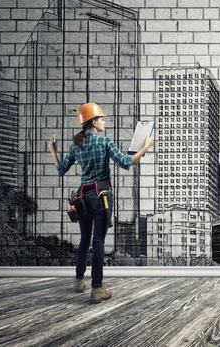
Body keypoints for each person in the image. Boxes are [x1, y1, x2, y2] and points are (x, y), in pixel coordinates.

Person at [48, 102, 153, 304]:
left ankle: (79, 281)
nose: (104, 122)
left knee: (85, 240)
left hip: (83, 197)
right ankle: (97, 288)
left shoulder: (76, 145)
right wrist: (146, 147)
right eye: (102, 119)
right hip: (101, 195)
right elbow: (125, 162)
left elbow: (61, 169)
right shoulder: (105, 142)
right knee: (98, 242)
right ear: (94, 122)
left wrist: (53, 150)